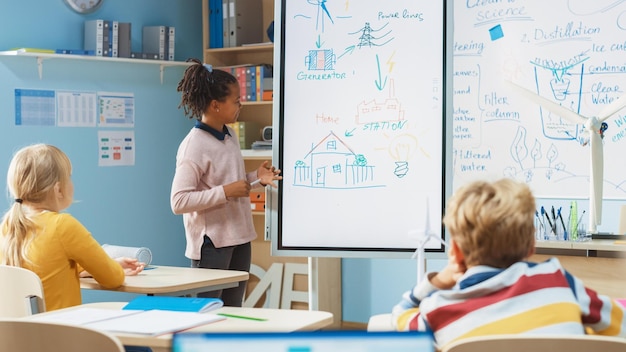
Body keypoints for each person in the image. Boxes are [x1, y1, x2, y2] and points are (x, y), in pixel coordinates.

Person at [392, 178, 626, 348]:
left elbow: (399, 316)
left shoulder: (437, 311)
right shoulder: (557, 281)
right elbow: (619, 325)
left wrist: (438, 281)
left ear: (455, 252)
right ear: (531, 246)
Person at [170, 58, 282, 307]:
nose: (240, 105)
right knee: (207, 311)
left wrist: (256, 178)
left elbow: (230, 184)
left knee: (233, 310)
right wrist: (226, 191)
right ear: (215, 105)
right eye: (236, 101)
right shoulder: (194, 145)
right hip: (213, 244)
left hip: (240, 237)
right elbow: (179, 201)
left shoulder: (229, 134)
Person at [0, 144, 145, 311]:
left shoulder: (7, 228)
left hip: (17, 334)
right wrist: (112, 268)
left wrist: (90, 269)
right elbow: (112, 278)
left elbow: (47, 266)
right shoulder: (62, 225)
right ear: (58, 189)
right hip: (61, 332)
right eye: (69, 177)